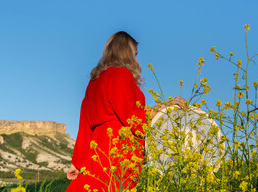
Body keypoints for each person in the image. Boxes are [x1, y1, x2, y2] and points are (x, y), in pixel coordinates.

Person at [66, 31, 185, 192]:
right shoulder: (121, 74)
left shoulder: (94, 81)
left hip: (97, 152)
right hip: (118, 150)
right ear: (127, 53)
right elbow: (132, 118)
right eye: (134, 54)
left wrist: (78, 163)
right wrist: (165, 107)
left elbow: (85, 126)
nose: (136, 59)